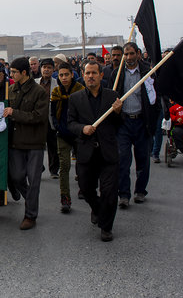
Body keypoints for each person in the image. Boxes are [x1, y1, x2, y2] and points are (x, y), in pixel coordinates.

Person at [68, 61, 123, 241]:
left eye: (94, 73)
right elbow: (70, 123)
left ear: (101, 75)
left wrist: (117, 112)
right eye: (87, 73)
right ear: (83, 76)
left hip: (107, 152)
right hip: (86, 151)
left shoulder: (112, 96)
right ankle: (97, 208)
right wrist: (82, 128)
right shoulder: (75, 98)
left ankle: (106, 227)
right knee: (86, 188)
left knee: (109, 191)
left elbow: (119, 125)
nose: (90, 76)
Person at [110, 42, 158, 208]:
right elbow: (111, 95)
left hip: (141, 122)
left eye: (131, 54)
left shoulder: (148, 73)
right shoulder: (117, 74)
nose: (128, 57)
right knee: (123, 159)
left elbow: (155, 100)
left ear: (138, 53)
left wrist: (153, 120)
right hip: (123, 122)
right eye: (126, 54)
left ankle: (140, 191)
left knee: (143, 159)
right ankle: (123, 194)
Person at [3, 57, 49, 230]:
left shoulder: (39, 91)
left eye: (14, 72)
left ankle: (30, 215)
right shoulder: (11, 90)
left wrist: (15, 113)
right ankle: (31, 198)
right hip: (16, 143)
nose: (11, 74)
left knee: (34, 180)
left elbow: (39, 116)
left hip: (34, 143)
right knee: (16, 176)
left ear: (24, 72)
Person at [51, 62, 85, 213]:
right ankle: (65, 197)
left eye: (66, 74)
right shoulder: (56, 92)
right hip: (63, 134)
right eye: (61, 75)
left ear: (72, 75)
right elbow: (53, 113)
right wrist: (58, 128)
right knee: (64, 166)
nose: (64, 78)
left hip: (78, 132)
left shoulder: (80, 91)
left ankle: (84, 188)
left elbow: (85, 112)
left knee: (82, 163)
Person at [39, 58, 60, 179]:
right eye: (44, 67)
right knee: (38, 146)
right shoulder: (35, 83)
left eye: (49, 67)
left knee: (53, 146)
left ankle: (53, 170)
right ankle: (38, 167)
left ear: (53, 69)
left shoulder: (57, 83)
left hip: (51, 119)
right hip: (38, 119)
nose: (46, 70)